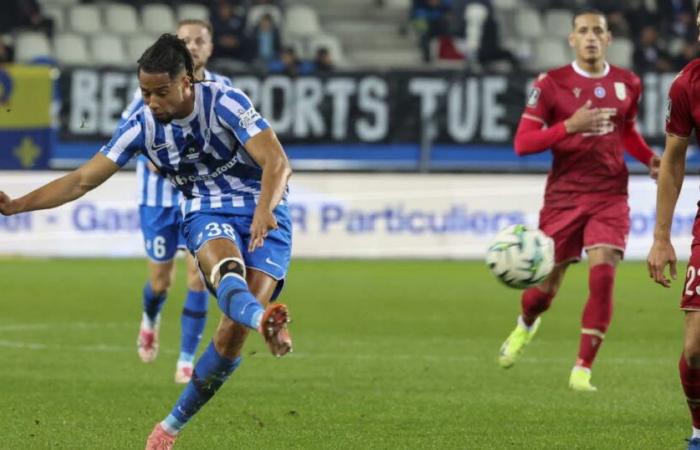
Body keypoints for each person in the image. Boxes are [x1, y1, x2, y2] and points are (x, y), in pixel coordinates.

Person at [0, 34, 293, 449]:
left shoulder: (226, 102)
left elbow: (276, 161)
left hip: (265, 208)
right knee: (228, 274)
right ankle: (264, 320)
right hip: (207, 210)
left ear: (186, 81)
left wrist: (265, 207)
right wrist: (16, 206)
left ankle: (172, 423)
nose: (152, 102)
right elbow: (82, 179)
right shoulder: (140, 125)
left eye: (161, 92)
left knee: (230, 333)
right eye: (144, 92)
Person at [497, 8, 660, 392]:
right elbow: (522, 144)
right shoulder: (551, 84)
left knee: (603, 272)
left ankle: (582, 368)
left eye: (598, 31)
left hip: (610, 194)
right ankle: (525, 325)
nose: (590, 37)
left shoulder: (628, 83)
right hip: (564, 197)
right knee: (545, 289)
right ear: (571, 39)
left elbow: (627, 132)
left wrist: (648, 158)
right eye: (583, 31)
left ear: (608, 39)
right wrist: (569, 126)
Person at [122, 19, 233, 385]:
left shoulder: (224, 90)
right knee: (160, 283)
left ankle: (186, 359)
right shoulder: (150, 88)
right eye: (186, 40)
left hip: (199, 198)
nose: (193, 46)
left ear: (210, 47)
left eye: (200, 40)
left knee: (198, 278)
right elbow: (129, 140)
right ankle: (150, 319)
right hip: (157, 199)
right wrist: (155, 160)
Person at [648, 6, 700, 449]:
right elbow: (673, 160)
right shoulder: (687, 84)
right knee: (696, 348)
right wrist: (661, 237)